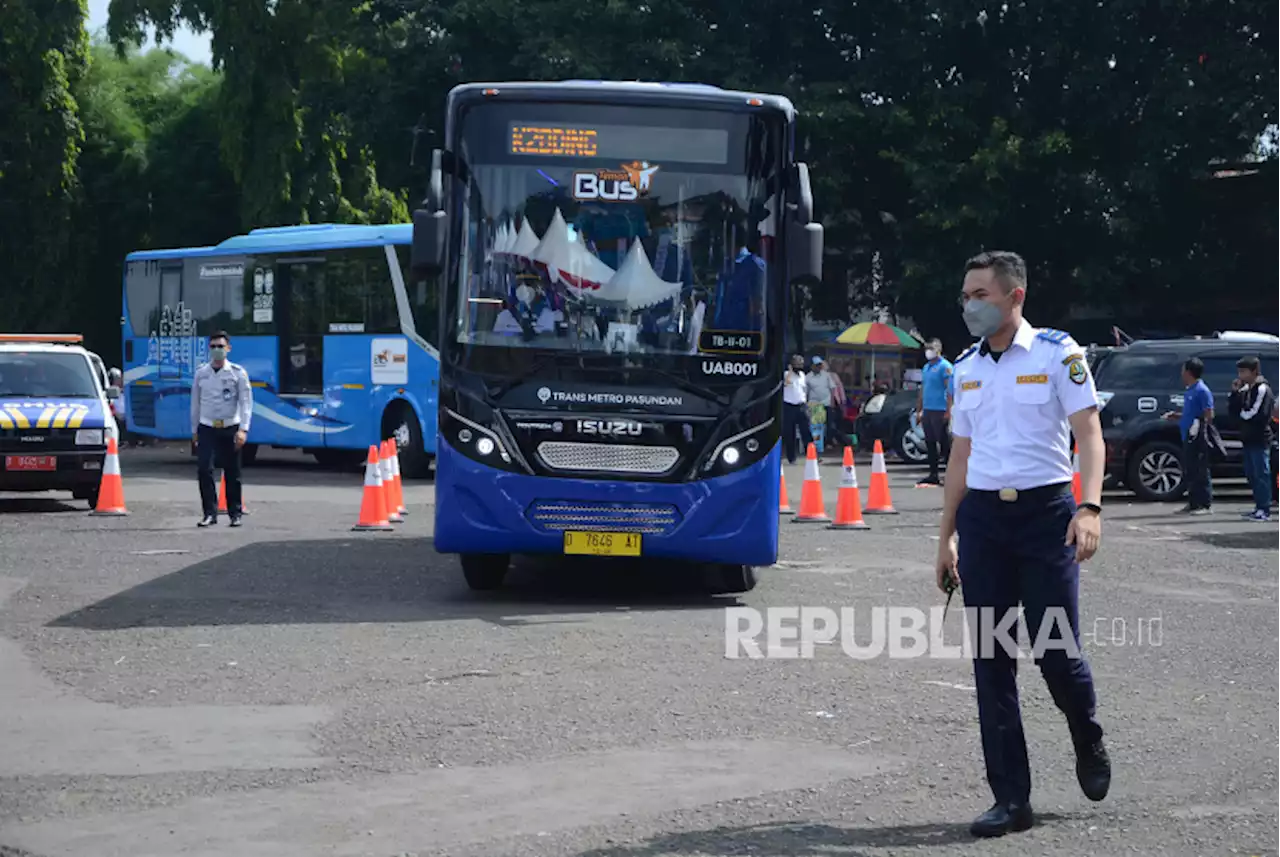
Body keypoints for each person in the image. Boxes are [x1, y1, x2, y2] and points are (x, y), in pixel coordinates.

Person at [936, 251, 1110, 838]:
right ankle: (1011, 800)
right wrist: (947, 537)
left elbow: (1089, 432)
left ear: (1015, 297)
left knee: (1056, 650)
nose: (969, 306)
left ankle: (1086, 733)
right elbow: (960, 457)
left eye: (980, 294)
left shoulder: (1060, 353)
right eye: (965, 295)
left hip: (1047, 516)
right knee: (991, 661)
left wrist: (1089, 507)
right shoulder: (965, 368)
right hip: (984, 521)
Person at [191, 331, 253, 527]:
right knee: (204, 469)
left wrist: (243, 429)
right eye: (213, 347)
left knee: (232, 471)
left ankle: (235, 513)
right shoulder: (201, 373)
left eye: (220, 346)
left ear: (228, 349)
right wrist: (194, 431)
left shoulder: (237, 372)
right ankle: (209, 513)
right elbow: (195, 403)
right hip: (207, 426)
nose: (216, 350)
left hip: (230, 427)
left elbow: (246, 402)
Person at [1229, 356, 1273, 522]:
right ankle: (1258, 506)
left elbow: (1257, 413)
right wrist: (1234, 392)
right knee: (1251, 474)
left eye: (1243, 371)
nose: (1240, 375)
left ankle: (1264, 508)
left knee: (1261, 473)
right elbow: (1233, 409)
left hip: (1259, 438)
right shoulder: (1245, 389)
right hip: (1247, 438)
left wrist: (1241, 417)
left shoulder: (1262, 389)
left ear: (1254, 371)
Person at [1171, 357, 1215, 515]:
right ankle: (1193, 502)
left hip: (1198, 435)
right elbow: (1190, 413)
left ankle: (1205, 504)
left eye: (1183, 370)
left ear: (1189, 372)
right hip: (1187, 435)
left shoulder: (1202, 390)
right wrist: (1178, 416)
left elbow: (1209, 414)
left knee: (1200, 469)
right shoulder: (1190, 390)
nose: (1181, 373)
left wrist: (1201, 426)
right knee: (1190, 469)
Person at [915, 338, 954, 485]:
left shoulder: (945, 367)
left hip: (940, 408)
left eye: (931, 348)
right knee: (930, 442)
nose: (928, 351)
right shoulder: (926, 367)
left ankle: (950, 475)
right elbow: (923, 389)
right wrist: (919, 409)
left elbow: (950, 390)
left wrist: (949, 410)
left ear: (939, 350)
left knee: (944, 443)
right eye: (927, 348)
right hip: (928, 409)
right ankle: (933, 474)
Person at [782, 354, 813, 463]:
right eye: (797, 363)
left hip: (801, 405)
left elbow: (803, 390)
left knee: (806, 431)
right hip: (789, 406)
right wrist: (790, 371)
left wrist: (806, 403)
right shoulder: (787, 374)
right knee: (790, 433)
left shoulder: (802, 375)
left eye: (801, 363)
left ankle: (812, 455)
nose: (800, 365)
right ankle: (791, 457)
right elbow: (786, 383)